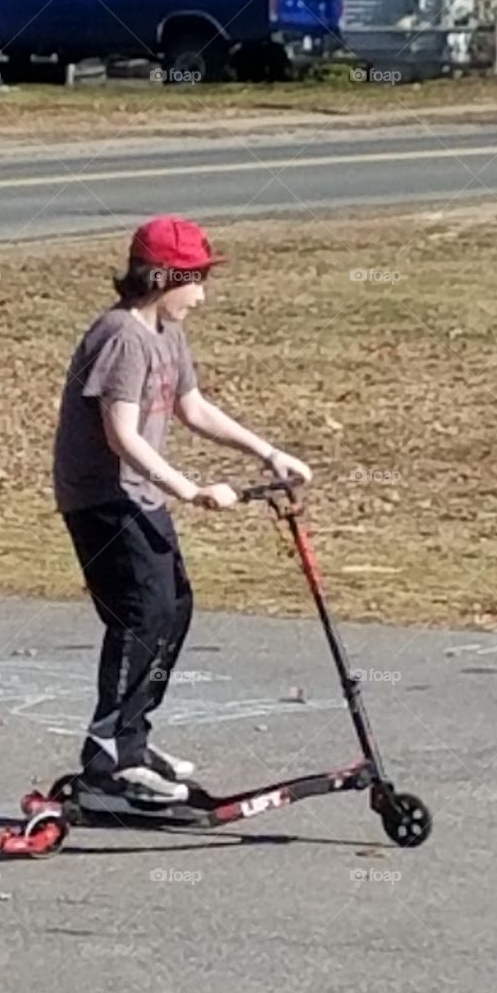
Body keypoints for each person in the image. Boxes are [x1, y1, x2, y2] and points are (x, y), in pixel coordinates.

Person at [52, 214, 312, 804]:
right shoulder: (121, 337)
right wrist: (189, 489)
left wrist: (268, 453)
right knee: (141, 615)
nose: (202, 294)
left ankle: (132, 742)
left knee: (174, 609)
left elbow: (193, 408)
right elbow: (122, 435)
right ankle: (107, 761)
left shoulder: (166, 332)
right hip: (101, 498)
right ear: (161, 277)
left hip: (136, 496)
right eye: (195, 280)